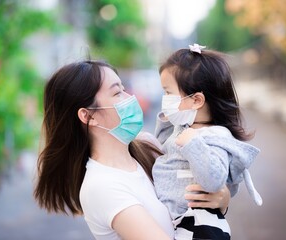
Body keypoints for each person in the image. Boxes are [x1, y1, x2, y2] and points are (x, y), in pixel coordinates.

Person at [33, 60, 231, 240]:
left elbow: (192, 199)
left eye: (124, 88)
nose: (130, 97)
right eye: (117, 92)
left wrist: (222, 199)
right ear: (88, 116)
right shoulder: (101, 186)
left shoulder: (148, 147)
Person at [152, 44, 263, 240]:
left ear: (196, 100)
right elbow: (162, 148)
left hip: (197, 226)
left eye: (168, 93)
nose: (165, 99)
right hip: (176, 221)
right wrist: (167, 119)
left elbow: (214, 179)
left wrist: (192, 145)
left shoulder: (215, 136)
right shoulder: (185, 126)